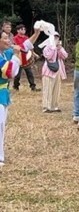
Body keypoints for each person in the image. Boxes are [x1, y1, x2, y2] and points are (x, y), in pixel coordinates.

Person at [1, 31, 21, 167]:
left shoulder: (4, 53)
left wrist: (37, 32)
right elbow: (10, 73)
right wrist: (16, 56)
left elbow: (26, 44)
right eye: (5, 38)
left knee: (2, 125)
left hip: (3, 93)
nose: (9, 40)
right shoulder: (5, 55)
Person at [41, 32, 68, 113]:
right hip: (48, 70)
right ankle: (46, 107)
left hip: (58, 71)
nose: (56, 40)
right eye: (55, 38)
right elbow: (48, 57)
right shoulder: (47, 47)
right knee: (47, 89)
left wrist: (59, 48)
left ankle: (54, 106)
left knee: (56, 89)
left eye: (57, 38)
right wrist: (53, 47)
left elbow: (65, 56)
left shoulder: (59, 47)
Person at [11, 23, 42, 92]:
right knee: (17, 74)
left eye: (24, 29)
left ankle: (33, 87)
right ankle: (16, 87)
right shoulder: (14, 38)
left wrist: (34, 53)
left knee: (29, 73)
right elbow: (17, 47)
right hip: (19, 57)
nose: (24, 30)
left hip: (26, 57)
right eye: (22, 29)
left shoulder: (26, 37)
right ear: (18, 30)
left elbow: (30, 46)